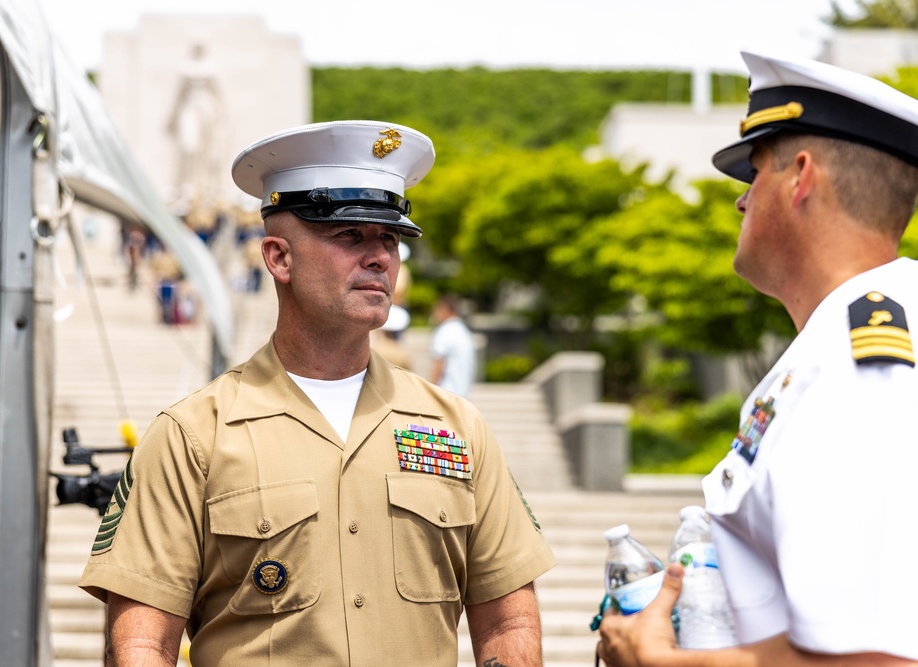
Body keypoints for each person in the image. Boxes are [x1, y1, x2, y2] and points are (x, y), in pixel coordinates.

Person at [79, 120, 556, 666]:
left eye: (390, 239)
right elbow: (141, 644)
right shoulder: (193, 435)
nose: (379, 257)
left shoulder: (455, 428)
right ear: (279, 258)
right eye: (349, 236)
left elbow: (509, 621)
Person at [596, 52, 918, 667]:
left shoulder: (861, 366)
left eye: (753, 173)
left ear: (801, 177)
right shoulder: (851, 340)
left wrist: (656, 659)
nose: (740, 202)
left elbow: (879, 658)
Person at [429, 292, 477, 397]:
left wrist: (430, 392)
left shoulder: (444, 331)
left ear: (445, 309)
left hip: (446, 393)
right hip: (463, 395)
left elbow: (439, 365)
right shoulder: (464, 331)